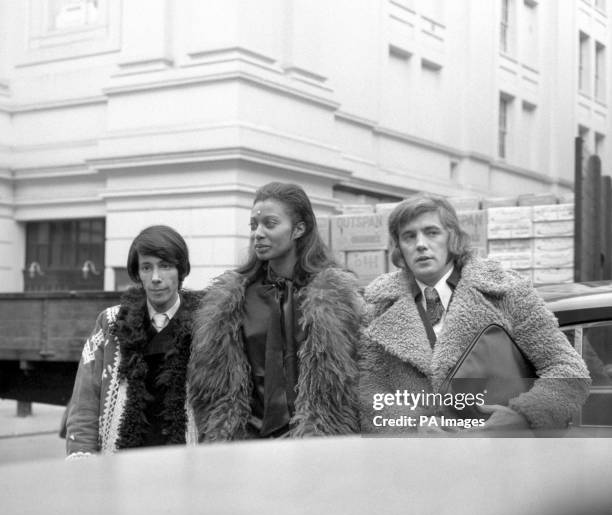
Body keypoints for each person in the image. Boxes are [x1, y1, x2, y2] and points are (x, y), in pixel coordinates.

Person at [360, 193, 590, 433]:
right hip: (421, 461)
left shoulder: (506, 291)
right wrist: (413, 428)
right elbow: (368, 388)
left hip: (501, 457)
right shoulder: (378, 306)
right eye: (409, 236)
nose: (420, 244)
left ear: (452, 237)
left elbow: (567, 370)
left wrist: (522, 416)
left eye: (431, 232)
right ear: (399, 247)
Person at [188, 182, 363, 440]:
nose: (257, 233)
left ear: (299, 229)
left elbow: (355, 379)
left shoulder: (335, 299)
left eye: (270, 224)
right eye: (253, 226)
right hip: (245, 444)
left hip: (315, 444)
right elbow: (212, 388)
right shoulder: (230, 302)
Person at [65, 225, 201, 456]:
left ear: (181, 270)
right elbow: (84, 404)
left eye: (165, 266)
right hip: (123, 470)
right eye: (147, 267)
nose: (156, 278)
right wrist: (82, 463)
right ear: (138, 273)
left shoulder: (205, 325)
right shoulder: (110, 324)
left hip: (186, 469)